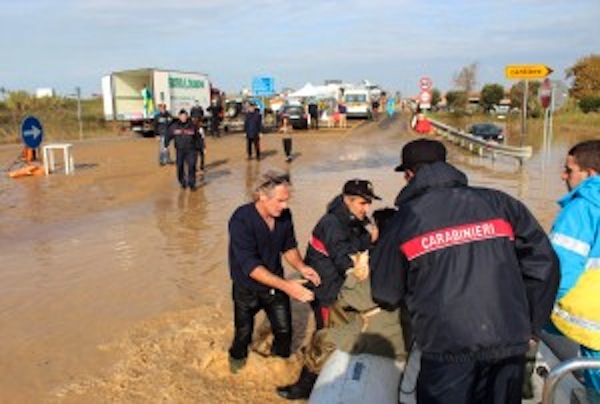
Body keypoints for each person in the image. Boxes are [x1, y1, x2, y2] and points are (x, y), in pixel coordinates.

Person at [370, 138, 560, 404]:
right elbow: (544, 263)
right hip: (510, 342)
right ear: (446, 165)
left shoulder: (405, 219)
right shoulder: (501, 203)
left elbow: (385, 292)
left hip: (447, 349)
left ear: (409, 175)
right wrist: (530, 325)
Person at [276, 180, 408, 400]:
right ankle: (305, 386)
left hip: (343, 291)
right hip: (328, 293)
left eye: (368, 204)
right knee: (325, 337)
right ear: (348, 200)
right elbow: (343, 259)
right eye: (362, 203)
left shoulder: (354, 220)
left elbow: (364, 244)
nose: (366, 209)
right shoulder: (332, 225)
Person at [228, 170, 321, 373]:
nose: (285, 206)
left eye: (286, 200)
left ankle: (278, 369)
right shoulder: (241, 219)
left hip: (275, 288)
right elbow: (250, 266)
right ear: (262, 196)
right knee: (243, 333)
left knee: (284, 331)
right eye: (280, 201)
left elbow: (288, 247)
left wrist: (302, 267)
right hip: (247, 289)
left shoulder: (284, 216)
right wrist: (288, 287)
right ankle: (236, 365)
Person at [549, 139, 600, 394]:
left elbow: (559, 272)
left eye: (569, 170)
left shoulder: (583, 206)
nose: (563, 175)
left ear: (590, 174)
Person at [166, 109, 199, 190]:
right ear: (179, 117)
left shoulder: (192, 126)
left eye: (185, 116)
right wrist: (165, 145)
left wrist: (201, 148)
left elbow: (198, 138)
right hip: (180, 150)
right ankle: (182, 182)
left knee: (191, 166)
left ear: (187, 116)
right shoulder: (174, 126)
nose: (183, 118)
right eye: (182, 116)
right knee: (180, 166)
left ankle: (192, 184)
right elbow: (168, 135)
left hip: (191, 150)